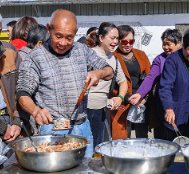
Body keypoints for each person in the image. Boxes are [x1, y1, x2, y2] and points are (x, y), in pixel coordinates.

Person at [17, 9, 114, 158]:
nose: (63, 43)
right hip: (52, 129)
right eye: (58, 36)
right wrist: (36, 111)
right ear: (49, 29)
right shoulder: (34, 58)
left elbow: (109, 71)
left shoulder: (82, 50)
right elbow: (23, 93)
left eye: (69, 38)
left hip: (82, 127)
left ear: (75, 33)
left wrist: (99, 73)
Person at [129, 29, 182, 138]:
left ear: (178, 43)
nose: (166, 47)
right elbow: (151, 77)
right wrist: (140, 94)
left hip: (181, 103)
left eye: (169, 44)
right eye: (164, 44)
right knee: (163, 136)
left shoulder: (184, 58)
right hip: (163, 103)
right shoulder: (160, 59)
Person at [157, 29, 189, 141]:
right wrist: (168, 109)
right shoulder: (172, 60)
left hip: (188, 118)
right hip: (171, 118)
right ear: (183, 45)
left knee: (184, 151)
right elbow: (165, 87)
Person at [85, 22, 128, 149]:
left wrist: (120, 97)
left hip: (101, 109)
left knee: (97, 145)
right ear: (101, 38)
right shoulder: (88, 54)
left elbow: (123, 81)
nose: (115, 41)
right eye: (112, 38)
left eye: (117, 38)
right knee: (84, 145)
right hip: (84, 109)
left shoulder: (113, 59)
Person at [110, 25, 151, 140]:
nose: (128, 44)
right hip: (122, 100)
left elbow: (149, 78)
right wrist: (126, 97)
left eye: (131, 41)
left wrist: (144, 98)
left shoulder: (141, 54)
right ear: (117, 41)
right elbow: (111, 84)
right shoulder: (112, 57)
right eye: (124, 41)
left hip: (141, 100)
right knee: (122, 136)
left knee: (142, 135)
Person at [18, 24, 49, 136]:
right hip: (26, 120)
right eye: (48, 45)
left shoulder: (19, 55)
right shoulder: (27, 61)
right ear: (39, 44)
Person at [0, 15, 22, 156]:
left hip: (11, 123)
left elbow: (22, 89)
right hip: (4, 127)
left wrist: (17, 121)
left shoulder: (10, 50)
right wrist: (2, 128)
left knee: (13, 173)